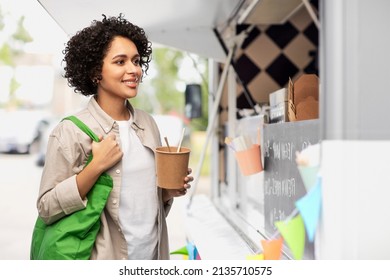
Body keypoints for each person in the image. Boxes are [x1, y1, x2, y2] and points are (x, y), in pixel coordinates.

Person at [36, 14, 193, 260]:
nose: (134, 70)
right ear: (96, 72)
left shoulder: (147, 123)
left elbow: (140, 200)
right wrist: (95, 167)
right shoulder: (70, 131)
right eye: (120, 62)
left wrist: (168, 192)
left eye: (136, 61)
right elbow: (46, 208)